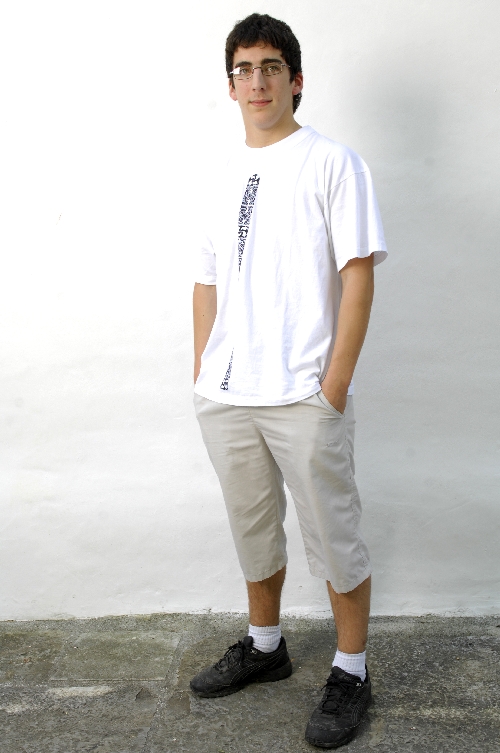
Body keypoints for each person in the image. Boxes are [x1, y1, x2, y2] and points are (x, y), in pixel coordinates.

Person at [190, 12, 387, 749]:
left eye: (271, 67)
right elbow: (206, 280)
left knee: (334, 536)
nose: (257, 81)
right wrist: (204, 370)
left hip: (305, 391)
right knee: (252, 529)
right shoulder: (218, 173)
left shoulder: (333, 163)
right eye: (244, 69)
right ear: (231, 86)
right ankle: (265, 645)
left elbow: (357, 273)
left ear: (296, 80)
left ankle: (351, 669)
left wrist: (333, 385)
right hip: (228, 394)